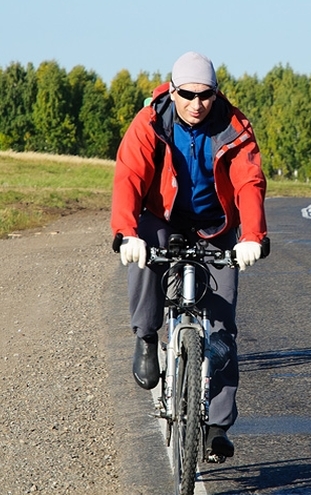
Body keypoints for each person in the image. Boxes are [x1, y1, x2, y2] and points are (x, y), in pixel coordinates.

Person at [111, 51, 267, 461]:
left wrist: (252, 236)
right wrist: (126, 233)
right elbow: (128, 175)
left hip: (215, 225)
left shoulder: (233, 127)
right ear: (173, 89)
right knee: (143, 254)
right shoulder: (150, 122)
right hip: (160, 216)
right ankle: (146, 336)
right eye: (188, 94)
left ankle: (217, 427)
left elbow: (249, 181)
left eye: (205, 95)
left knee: (222, 325)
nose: (197, 104)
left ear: (215, 94)